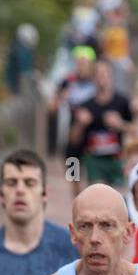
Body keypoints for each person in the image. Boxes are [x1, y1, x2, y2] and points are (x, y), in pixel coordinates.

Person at [71, 60, 135, 188]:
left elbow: (135, 129)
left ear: (111, 76)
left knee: (117, 198)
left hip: (116, 160)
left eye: (105, 73)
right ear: (93, 78)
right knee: (95, 193)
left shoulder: (122, 101)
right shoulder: (85, 105)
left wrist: (120, 124)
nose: (102, 78)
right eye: (98, 74)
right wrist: (81, 124)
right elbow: (73, 140)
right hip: (93, 160)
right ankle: (76, 202)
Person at [53, 46, 99, 200]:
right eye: (79, 62)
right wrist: (61, 99)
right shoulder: (67, 81)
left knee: (93, 167)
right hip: (74, 128)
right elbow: (52, 108)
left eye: (85, 62)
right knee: (72, 163)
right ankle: (77, 197)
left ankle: (94, 196)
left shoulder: (97, 81)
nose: (81, 65)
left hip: (94, 128)